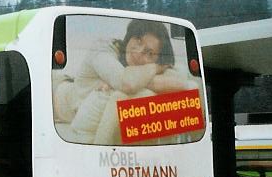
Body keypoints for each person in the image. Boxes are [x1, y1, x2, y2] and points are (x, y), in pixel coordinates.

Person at [54, 19, 190, 144]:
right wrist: (156, 67)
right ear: (129, 36)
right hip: (54, 94)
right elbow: (128, 83)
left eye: (150, 53)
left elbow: (183, 83)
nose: (139, 53)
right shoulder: (103, 49)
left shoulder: (141, 72)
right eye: (138, 40)